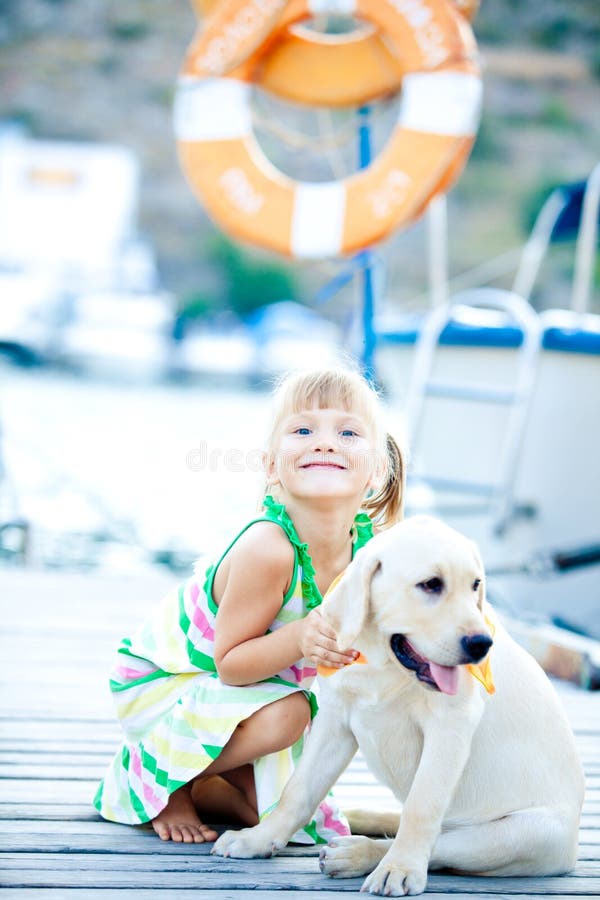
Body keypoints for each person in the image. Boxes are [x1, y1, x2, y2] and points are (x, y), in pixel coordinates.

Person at [94, 366, 405, 844]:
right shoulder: (269, 548)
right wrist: (302, 637)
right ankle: (159, 778)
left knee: (294, 821)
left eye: (347, 432)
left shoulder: (367, 553)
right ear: (271, 466)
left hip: (253, 691)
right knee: (291, 715)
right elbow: (232, 665)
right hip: (167, 683)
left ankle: (212, 786)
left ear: (378, 469)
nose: (324, 442)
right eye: (302, 430)